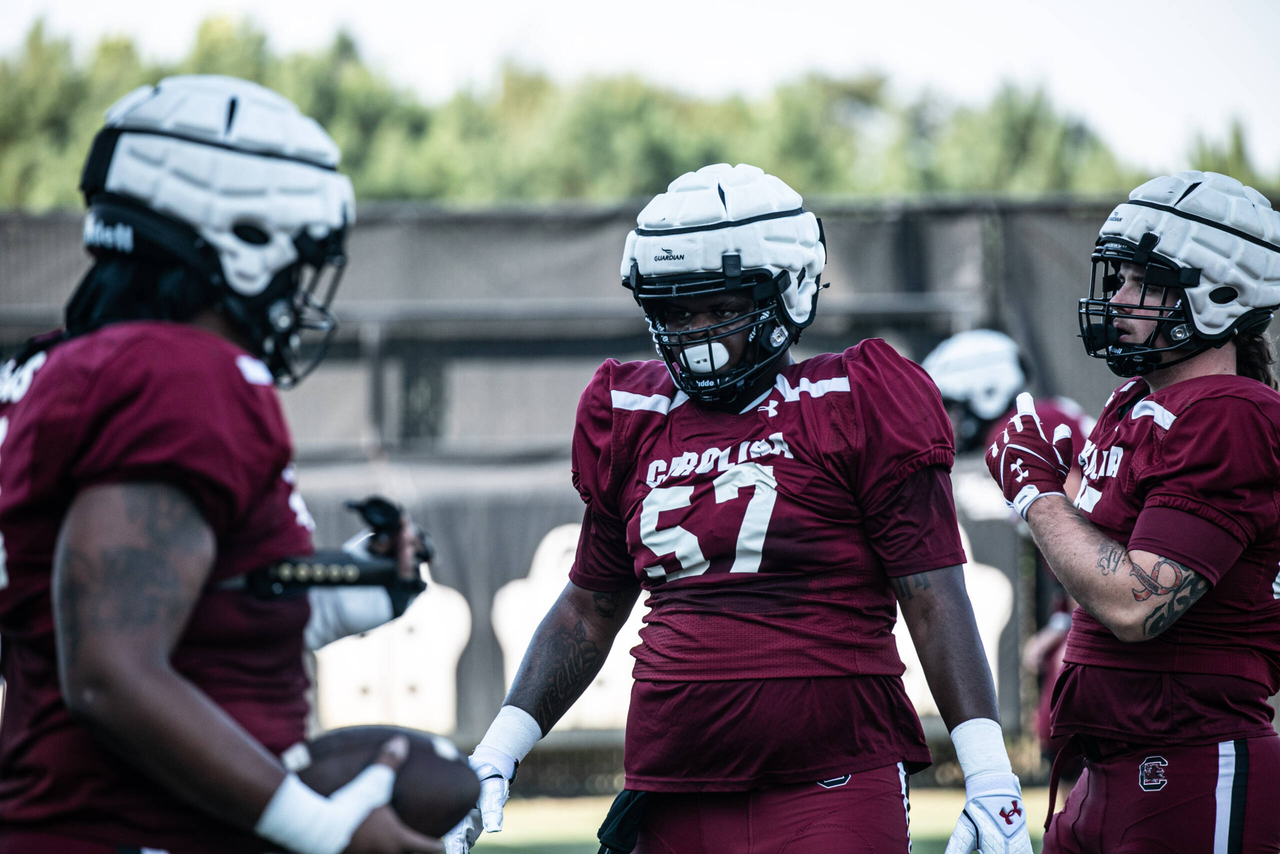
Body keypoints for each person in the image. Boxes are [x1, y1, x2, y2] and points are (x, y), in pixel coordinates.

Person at [447, 163, 1032, 854]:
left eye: (720, 308)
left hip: (832, 784)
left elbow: (931, 596)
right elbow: (588, 610)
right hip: (671, 789)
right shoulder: (632, 413)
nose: (695, 332)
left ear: (788, 292)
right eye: (677, 311)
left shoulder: (852, 399)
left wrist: (989, 776)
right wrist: (497, 753)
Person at [0, 76, 440, 854]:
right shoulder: (180, 375)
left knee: (442, 777)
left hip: (76, 816)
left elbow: (171, 606)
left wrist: (349, 589)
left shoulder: (54, 367)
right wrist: (323, 831)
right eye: (295, 265)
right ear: (243, 239)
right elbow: (110, 670)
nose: (296, 298)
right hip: (136, 829)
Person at [985, 171, 1280, 852]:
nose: (1117, 298)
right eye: (1118, 278)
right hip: (1108, 767)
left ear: (1221, 293)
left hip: (1193, 762)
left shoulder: (1229, 412)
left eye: (1143, 281)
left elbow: (1136, 603)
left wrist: (1038, 494)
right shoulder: (1134, 403)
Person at [922, 329, 1094, 767]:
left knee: (1063, 728)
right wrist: (1062, 622)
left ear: (985, 391)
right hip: (1105, 596)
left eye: (952, 406)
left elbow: (1087, 530)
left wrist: (1078, 630)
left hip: (1115, 600)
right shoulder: (1030, 422)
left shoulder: (1023, 429)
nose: (947, 421)